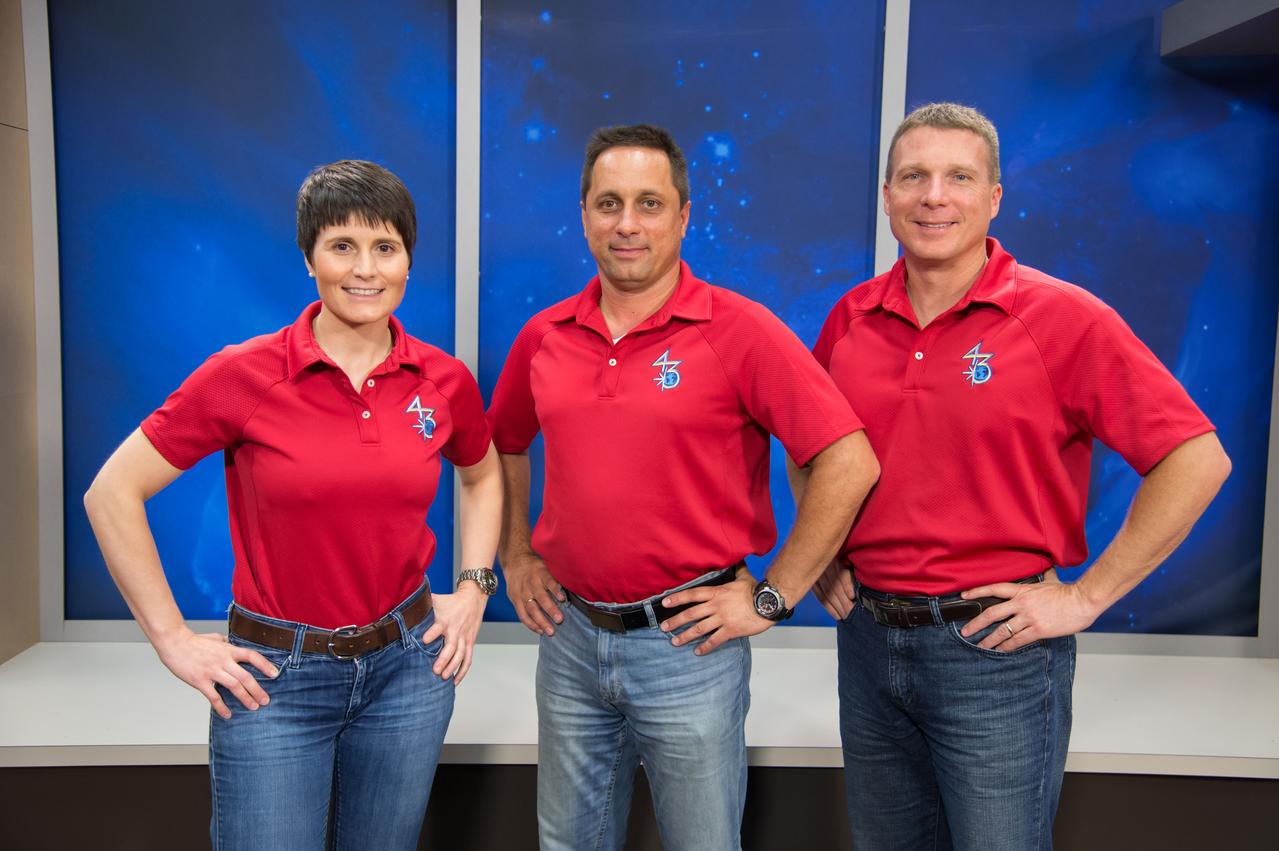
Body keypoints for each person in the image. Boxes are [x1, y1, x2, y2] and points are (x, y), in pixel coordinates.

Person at [802, 102, 1231, 850]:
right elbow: (813, 448)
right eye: (914, 176)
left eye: (958, 177)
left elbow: (1196, 458)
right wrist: (821, 554)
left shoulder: (1063, 318)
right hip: (867, 641)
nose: (934, 196)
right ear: (887, 196)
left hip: (993, 653)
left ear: (993, 198)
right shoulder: (850, 318)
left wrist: (1087, 595)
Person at [83, 160, 503, 851]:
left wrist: (473, 586)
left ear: (407, 260)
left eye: (385, 247)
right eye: (342, 246)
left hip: (407, 671)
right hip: (274, 680)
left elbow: (483, 477)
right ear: (308, 258)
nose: (365, 269)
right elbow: (111, 493)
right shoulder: (243, 374)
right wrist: (172, 640)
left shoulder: (442, 380)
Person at [486, 123, 879, 851]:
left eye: (648, 203)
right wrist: (515, 553)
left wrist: (775, 593)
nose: (626, 224)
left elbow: (849, 460)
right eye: (608, 203)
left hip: (688, 646)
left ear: (683, 216)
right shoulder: (543, 335)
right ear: (583, 214)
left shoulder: (739, 330)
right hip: (570, 640)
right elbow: (501, 443)